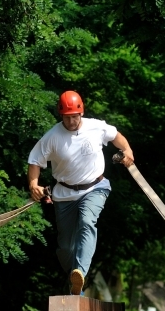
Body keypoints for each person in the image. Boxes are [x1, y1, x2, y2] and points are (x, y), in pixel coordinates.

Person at [27, 90, 134, 294]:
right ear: (61, 116)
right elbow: (34, 161)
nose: (72, 121)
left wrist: (128, 151)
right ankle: (75, 281)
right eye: (67, 117)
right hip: (64, 195)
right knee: (65, 247)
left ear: (81, 113)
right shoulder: (52, 137)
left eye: (75, 116)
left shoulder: (96, 127)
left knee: (87, 222)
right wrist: (34, 185)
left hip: (95, 188)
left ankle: (80, 272)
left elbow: (116, 136)